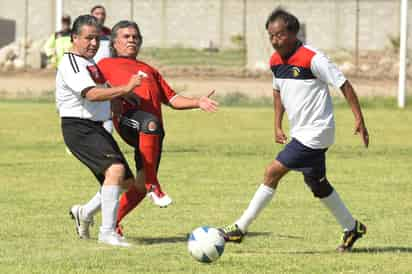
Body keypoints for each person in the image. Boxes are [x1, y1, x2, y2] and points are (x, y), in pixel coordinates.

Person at [219, 8, 369, 252]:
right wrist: (277, 123)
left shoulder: (313, 58)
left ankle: (240, 228)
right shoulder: (276, 61)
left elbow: (344, 84)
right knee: (317, 183)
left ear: (293, 32)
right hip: (301, 131)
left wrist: (359, 119)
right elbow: (278, 91)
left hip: (317, 132)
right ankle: (352, 227)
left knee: (272, 172)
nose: (275, 41)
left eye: (279, 35)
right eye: (270, 36)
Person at [97, 20, 218, 233]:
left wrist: (197, 102)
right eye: (126, 36)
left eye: (135, 36)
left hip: (152, 132)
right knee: (150, 125)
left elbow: (172, 99)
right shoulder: (105, 65)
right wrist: (114, 96)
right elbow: (93, 89)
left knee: (139, 186)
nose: (132, 40)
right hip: (126, 119)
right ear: (114, 43)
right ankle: (155, 184)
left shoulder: (149, 69)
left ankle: (112, 223)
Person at [56, 14, 145, 247]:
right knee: (115, 170)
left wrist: (122, 95)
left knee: (125, 182)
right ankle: (107, 233)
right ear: (74, 38)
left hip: (95, 127)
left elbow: (103, 91)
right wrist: (125, 87)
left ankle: (84, 213)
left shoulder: (90, 63)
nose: (94, 43)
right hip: (78, 127)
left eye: (97, 39)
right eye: (88, 38)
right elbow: (91, 93)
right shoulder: (72, 62)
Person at [90, 5, 113, 133]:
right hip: (89, 75)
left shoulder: (109, 34)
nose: (100, 16)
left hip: (106, 77)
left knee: (107, 109)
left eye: (102, 14)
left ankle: (107, 140)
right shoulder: (86, 32)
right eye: (97, 13)